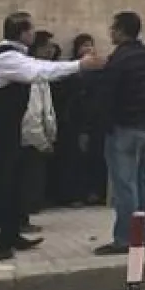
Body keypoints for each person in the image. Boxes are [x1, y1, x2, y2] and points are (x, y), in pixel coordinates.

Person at [0, 14, 102, 261]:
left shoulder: (9, 53)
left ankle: (9, 235)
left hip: (9, 129)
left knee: (13, 183)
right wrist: (79, 65)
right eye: (30, 31)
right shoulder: (7, 58)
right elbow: (39, 71)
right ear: (23, 33)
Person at [93, 11, 145, 256]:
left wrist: (102, 126)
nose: (110, 32)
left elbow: (107, 97)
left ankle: (126, 238)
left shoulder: (119, 60)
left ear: (122, 30)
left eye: (113, 28)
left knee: (125, 185)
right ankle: (144, 234)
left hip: (126, 129)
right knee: (143, 181)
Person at [51, 34, 106, 206]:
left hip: (95, 123)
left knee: (94, 158)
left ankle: (93, 192)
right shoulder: (71, 71)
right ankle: (74, 195)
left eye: (90, 45)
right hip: (73, 123)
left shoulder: (98, 72)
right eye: (83, 46)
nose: (87, 49)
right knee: (73, 160)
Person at [18, 33, 59, 233]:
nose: (51, 51)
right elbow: (32, 113)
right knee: (26, 183)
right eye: (46, 47)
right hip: (29, 140)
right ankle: (19, 221)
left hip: (35, 137)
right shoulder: (31, 75)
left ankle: (21, 219)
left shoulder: (41, 74)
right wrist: (42, 141)